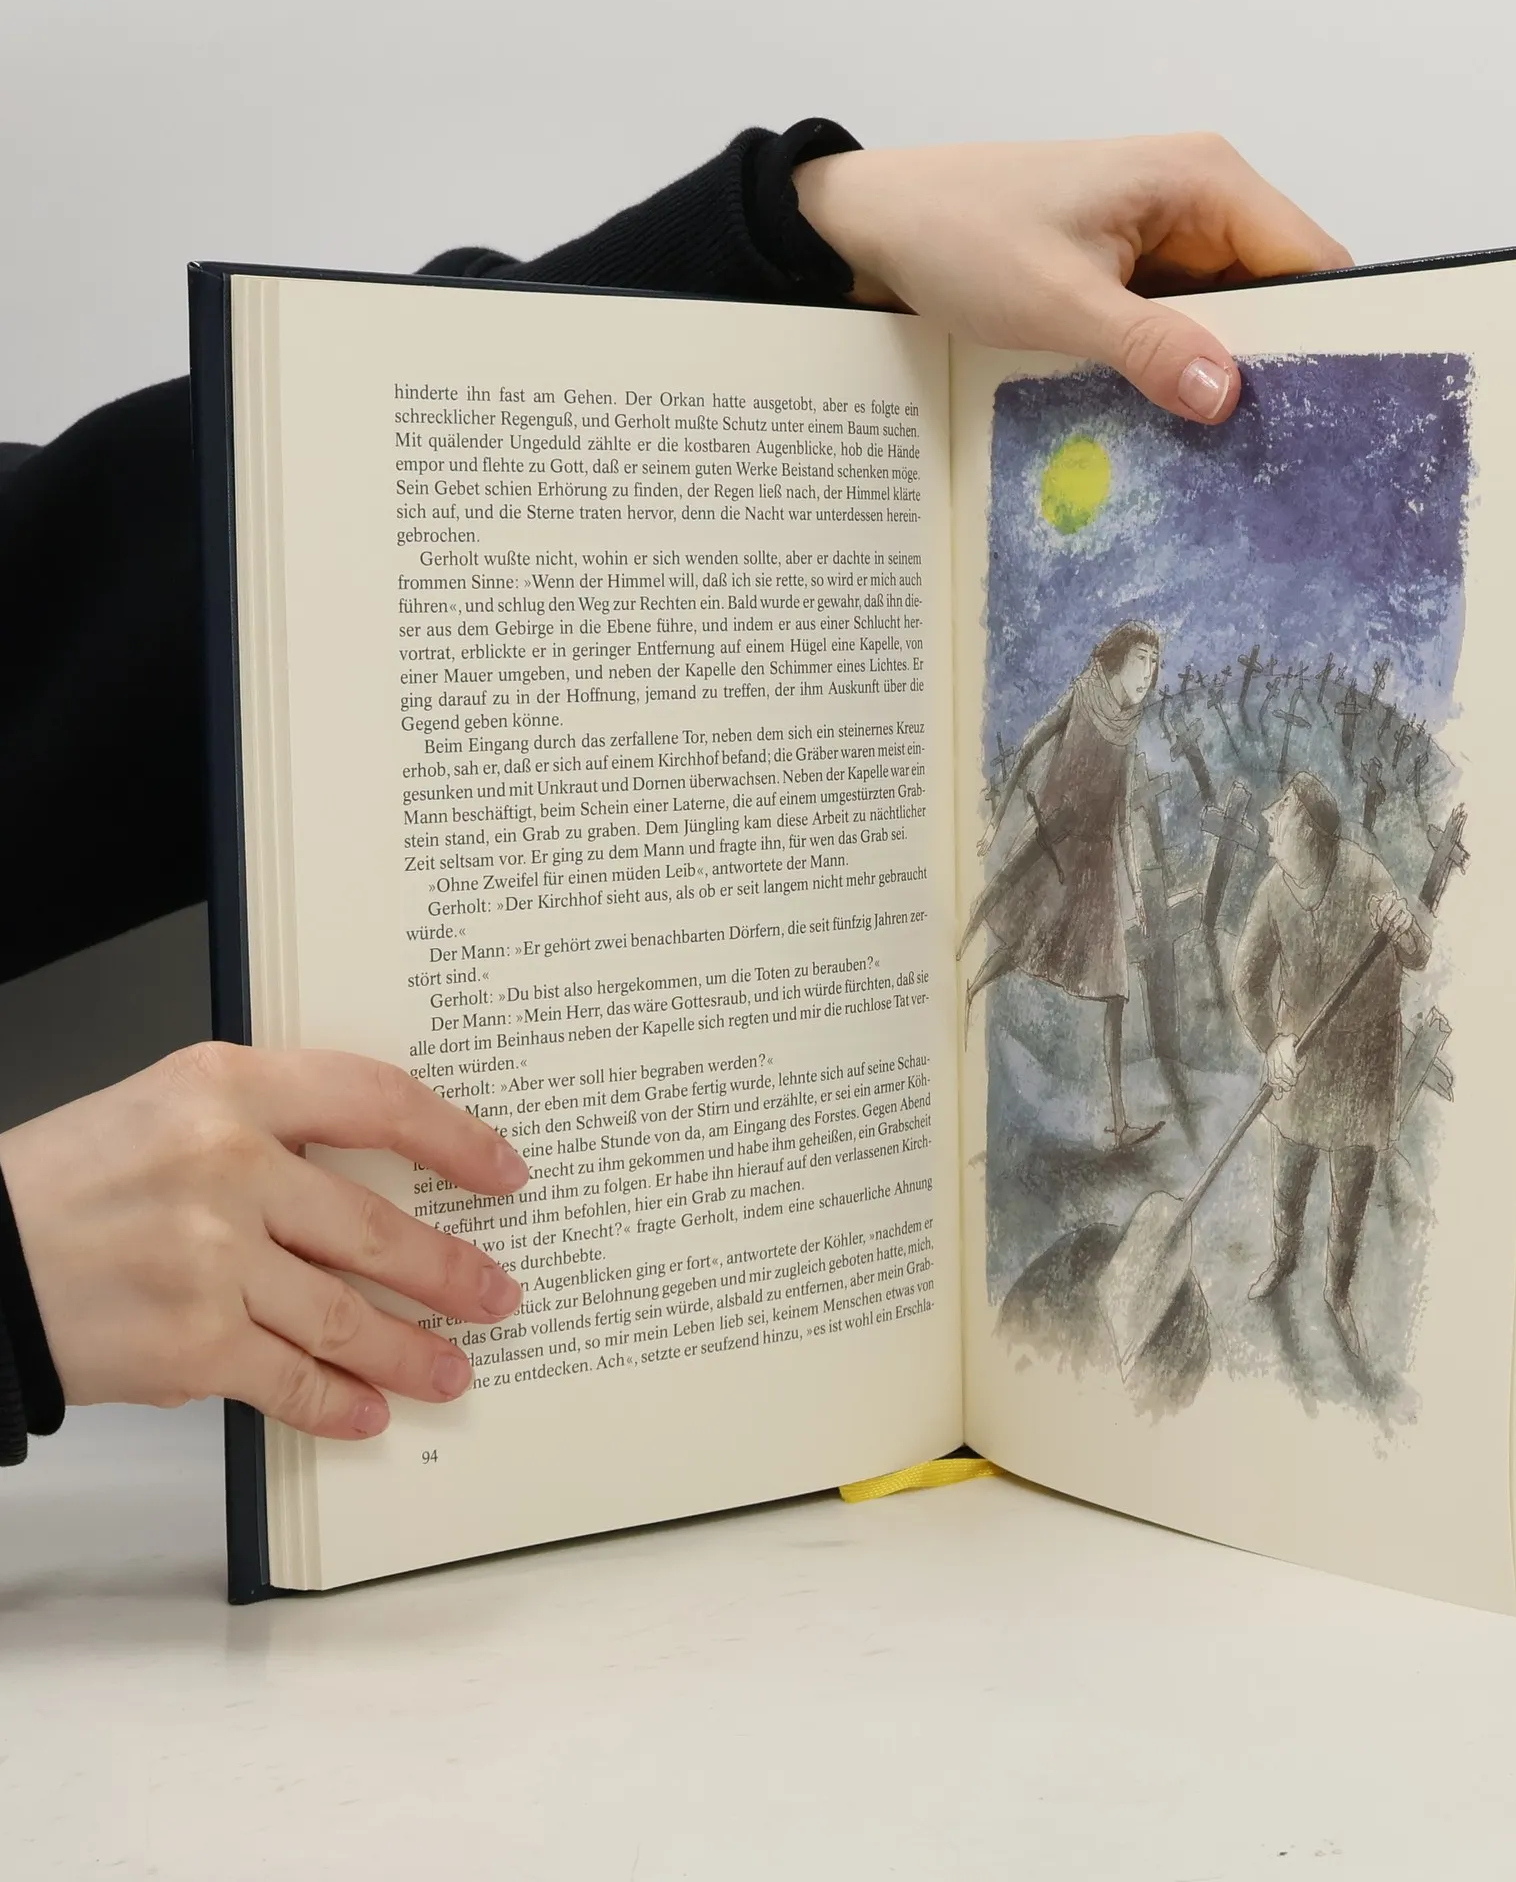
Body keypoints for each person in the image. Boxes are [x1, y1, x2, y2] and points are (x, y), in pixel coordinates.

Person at [0, 123, 1349, 1466]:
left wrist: (800, 232)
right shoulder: (1087, 709)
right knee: (1022, 963)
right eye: (1141, 662)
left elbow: (109, 594)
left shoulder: (1152, 737)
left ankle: (1076, 1104)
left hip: (1097, 874)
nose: (1146, 675)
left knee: (1082, 988)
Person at [1229, 772, 1427, 1360]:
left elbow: (1417, 954)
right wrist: (1271, 1043)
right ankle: (1283, 1259)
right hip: (1301, 1062)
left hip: (1364, 1067)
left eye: (1281, 811)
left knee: (1351, 1196)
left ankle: (1338, 1292)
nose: (1269, 818)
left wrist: (1404, 929)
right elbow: (1247, 980)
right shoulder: (1273, 891)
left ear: (1309, 833)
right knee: (1288, 1181)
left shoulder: (1365, 875)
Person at [958, 621, 1163, 1147]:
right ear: (1119, 658)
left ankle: (1120, 1123)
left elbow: (1121, 816)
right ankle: (964, 986)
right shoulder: (1085, 692)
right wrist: (994, 823)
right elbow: (1032, 744)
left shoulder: (1128, 725)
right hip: (1054, 836)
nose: (1148, 672)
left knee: (1115, 990)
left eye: (1154, 664)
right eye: (1141, 659)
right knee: (1020, 934)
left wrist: (1137, 894)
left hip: (1097, 861)